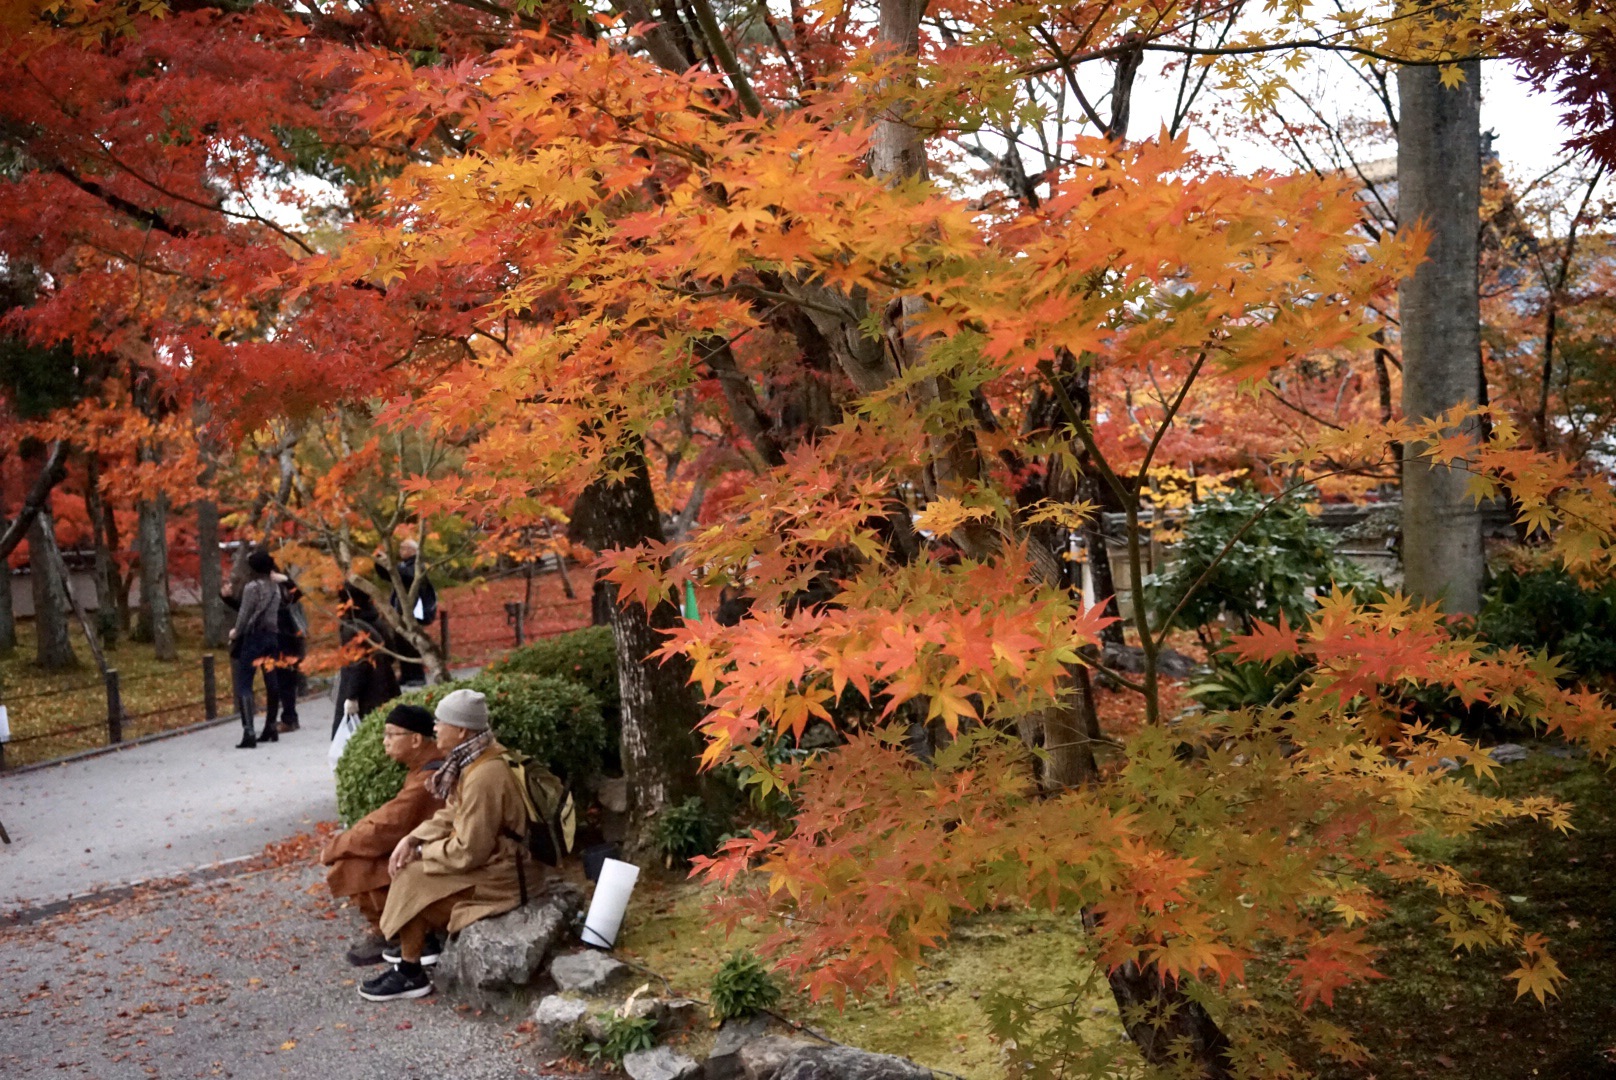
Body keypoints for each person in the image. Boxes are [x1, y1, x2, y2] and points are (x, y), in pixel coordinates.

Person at [362, 689, 526, 1002]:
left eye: (440, 722)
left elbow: (469, 851)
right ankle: (414, 962)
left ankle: (411, 972)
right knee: (413, 875)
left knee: (412, 878)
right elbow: (454, 810)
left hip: (507, 875)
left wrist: (424, 853)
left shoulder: (485, 774)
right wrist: (414, 838)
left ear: (461, 730)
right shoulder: (478, 756)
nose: (434, 727)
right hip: (498, 862)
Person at [320, 704, 444, 966]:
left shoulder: (430, 774)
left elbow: (389, 825)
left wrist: (337, 847)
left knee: (353, 864)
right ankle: (392, 930)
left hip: (439, 860)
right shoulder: (423, 768)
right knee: (354, 858)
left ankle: (396, 931)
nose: (384, 742)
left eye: (390, 734)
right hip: (426, 850)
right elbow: (388, 817)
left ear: (415, 739)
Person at [332, 583, 401, 738]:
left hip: (366, 694)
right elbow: (391, 653)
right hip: (384, 686)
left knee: (356, 737)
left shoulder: (353, 628)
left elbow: (358, 665)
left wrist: (351, 696)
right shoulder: (376, 619)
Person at [228, 550, 281, 749]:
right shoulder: (275, 588)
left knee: (244, 683)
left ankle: (249, 730)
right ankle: (271, 726)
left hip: (254, 639)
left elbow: (243, 615)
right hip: (272, 638)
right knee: (271, 680)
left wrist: (235, 633)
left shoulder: (252, 588)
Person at [264, 559, 308, 734]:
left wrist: (285, 580)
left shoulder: (282, 590)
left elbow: (297, 595)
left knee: (286, 680)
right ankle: (289, 717)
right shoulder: (271, 589)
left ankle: (289, 718)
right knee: (285, 681)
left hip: (287, 640)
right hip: (283, 639)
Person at [386, 538, 436, 686]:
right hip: (401, 610)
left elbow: (407, 576)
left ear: (413, 551)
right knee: (400, 642)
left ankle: (417, 676)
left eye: (404, 548)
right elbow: (390, 575)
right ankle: (406, 674)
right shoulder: (402, 566)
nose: (401, 551)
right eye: (401, 548)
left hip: (414, 611)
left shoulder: (417, 565)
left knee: (412, 644)